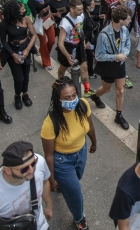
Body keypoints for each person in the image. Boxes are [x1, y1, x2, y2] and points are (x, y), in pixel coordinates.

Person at [40, 78, 97, 230]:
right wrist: (51, 180)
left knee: (75, 179)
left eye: (74, 95)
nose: (72, 100)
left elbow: (90, 126)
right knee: (75, 192)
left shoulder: (83, 105)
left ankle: (63, 186)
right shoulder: (50, 122)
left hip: (81, 153)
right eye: (67, 98)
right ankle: (79, 219)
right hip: (62, 161)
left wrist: (94, 142)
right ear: (58, 99)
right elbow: (49, 155)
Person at [0, 141, 52, 230]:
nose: (31, 170)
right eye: (24, 169)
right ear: (7, 170)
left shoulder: (40, 162)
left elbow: (45, 182)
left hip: (40, 225)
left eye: (33, 163)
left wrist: (49, 206)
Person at [89, 5, 133, 129]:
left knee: (120, 90)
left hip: (120, 65)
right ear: (120, 20)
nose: (130, 20)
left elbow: (128, 44)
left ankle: (119, 115)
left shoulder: (124, 30)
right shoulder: (104, 35)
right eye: (128, 19)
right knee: (106, 89)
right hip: (108, 66)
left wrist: (124, 54)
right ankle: (95, 96)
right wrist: (115, 57)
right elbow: (99, 55)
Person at [0, 0, 38, 110]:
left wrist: (27, 50)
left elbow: (33, 35)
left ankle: (25, 94)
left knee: (26, 75)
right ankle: (17, 96)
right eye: (21, 8)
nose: (24, 9)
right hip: (12, 50)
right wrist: (13, 54)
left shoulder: (26, 19)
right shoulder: (5, 24)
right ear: (14, 11)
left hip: (25, 47)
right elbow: (3, 41)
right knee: (18, 78)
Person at [56, 0, 93, 98]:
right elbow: (60, 43)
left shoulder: (81, 16)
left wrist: (83, 41)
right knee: (63, 69)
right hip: (68, 47)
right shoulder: (65, 23)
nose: (82, 11)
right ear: (71, 9)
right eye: (79, 9)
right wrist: (67, 55)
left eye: (82, 9)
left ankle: (87, 90)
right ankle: (61, 86)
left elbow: (81, 29)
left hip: (79, 45)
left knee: (84, 68)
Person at [28, 0, 55, 70]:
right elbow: (36, 16)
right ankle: (46, 63)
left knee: (52, 40)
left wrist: (50, 14)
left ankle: (43, 52)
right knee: (43, 43)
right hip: (39, 22)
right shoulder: (30, 1)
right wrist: (42, 12)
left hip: (48, 19)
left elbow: (48, 6)